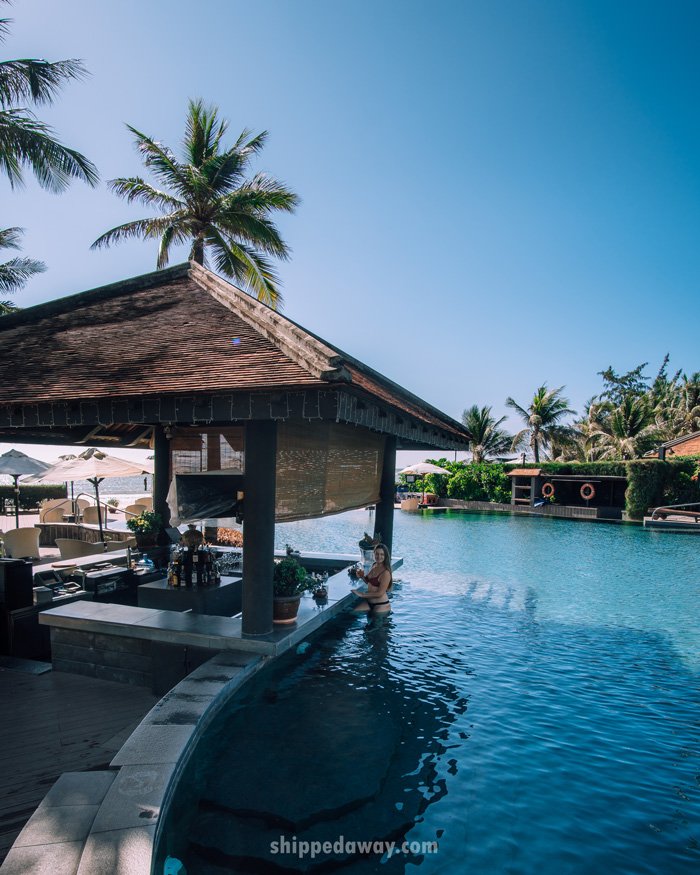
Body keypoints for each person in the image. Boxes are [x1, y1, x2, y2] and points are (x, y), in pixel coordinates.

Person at [351, 543, 393, 614]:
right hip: (369, 603)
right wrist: (362, 576)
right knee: (353, 613)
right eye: (377, 554)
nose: (379, 556)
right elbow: (369, 582)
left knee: (374, 624)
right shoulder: (374, 565)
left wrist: (362, 595)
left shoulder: (386, 573)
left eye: (382, 554)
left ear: (385, 556)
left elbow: (380, 593)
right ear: (374, 554)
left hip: (381, 605)